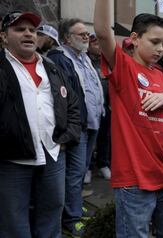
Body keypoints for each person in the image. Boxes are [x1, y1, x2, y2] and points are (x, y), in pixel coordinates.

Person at [94, 1, 163, 237]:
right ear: (134, 38)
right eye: (155, 42)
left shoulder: (162, 78)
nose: (160, 49)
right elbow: (103, 32)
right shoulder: (123, 67)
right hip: (134, 179)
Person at [0, 11, 81, 237]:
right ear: (4, 37)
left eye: (32, 30)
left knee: (51, 212)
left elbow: (73, 106)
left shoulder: (52, 68)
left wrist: (66, 140)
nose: (28, 34)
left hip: (53, 154)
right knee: (13, 221)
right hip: (12, 159)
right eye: (19, 29)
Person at [47, 18, 104, 236]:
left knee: (79, 172)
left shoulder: (84, 58)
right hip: (77, 127)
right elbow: (65, 97)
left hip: (91, 123)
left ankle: (74, 205)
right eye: (80, 34)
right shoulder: (59, 59)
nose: (86, 37)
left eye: (86, 33)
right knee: (75, 172)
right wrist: (72, 126)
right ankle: (71, 219)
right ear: (66, 38)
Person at [87, 33, 112, 180]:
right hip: (91, 108)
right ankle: (88, 168)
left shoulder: (106, 62)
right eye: (95, 44)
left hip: (106, 107)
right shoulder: (85, 61)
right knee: (90, 139)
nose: (99, 47)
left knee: (104, 137)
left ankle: (103, 164)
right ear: (89, 46)